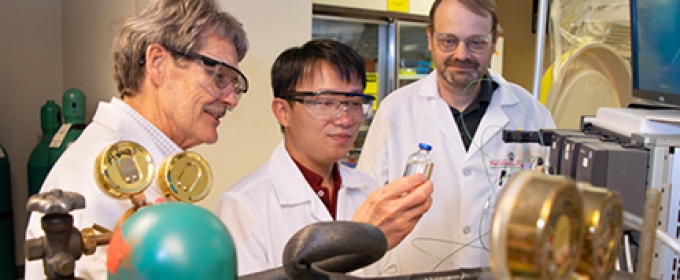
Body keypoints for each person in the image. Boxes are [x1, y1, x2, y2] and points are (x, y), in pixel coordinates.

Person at [24, 0, 249, 278]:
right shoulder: (99, 187)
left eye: (234, 84)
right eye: (218, 75)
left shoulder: (149, 163)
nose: (231, 99)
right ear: (157, 63)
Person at [357, 0, 556, 274]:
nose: (461, 54)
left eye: (476, 42)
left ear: (495, 40)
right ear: (430, 38)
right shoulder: (396, 110)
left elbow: (554, 214)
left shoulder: (531, 113)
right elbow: (366, 214)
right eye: (448, 41)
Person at [215, 39, 434, 276]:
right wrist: (354, 242)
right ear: (283, 111)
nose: (346, 120)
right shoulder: (243, 204)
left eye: (355, 103)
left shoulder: (366, 188)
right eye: (327, 102)